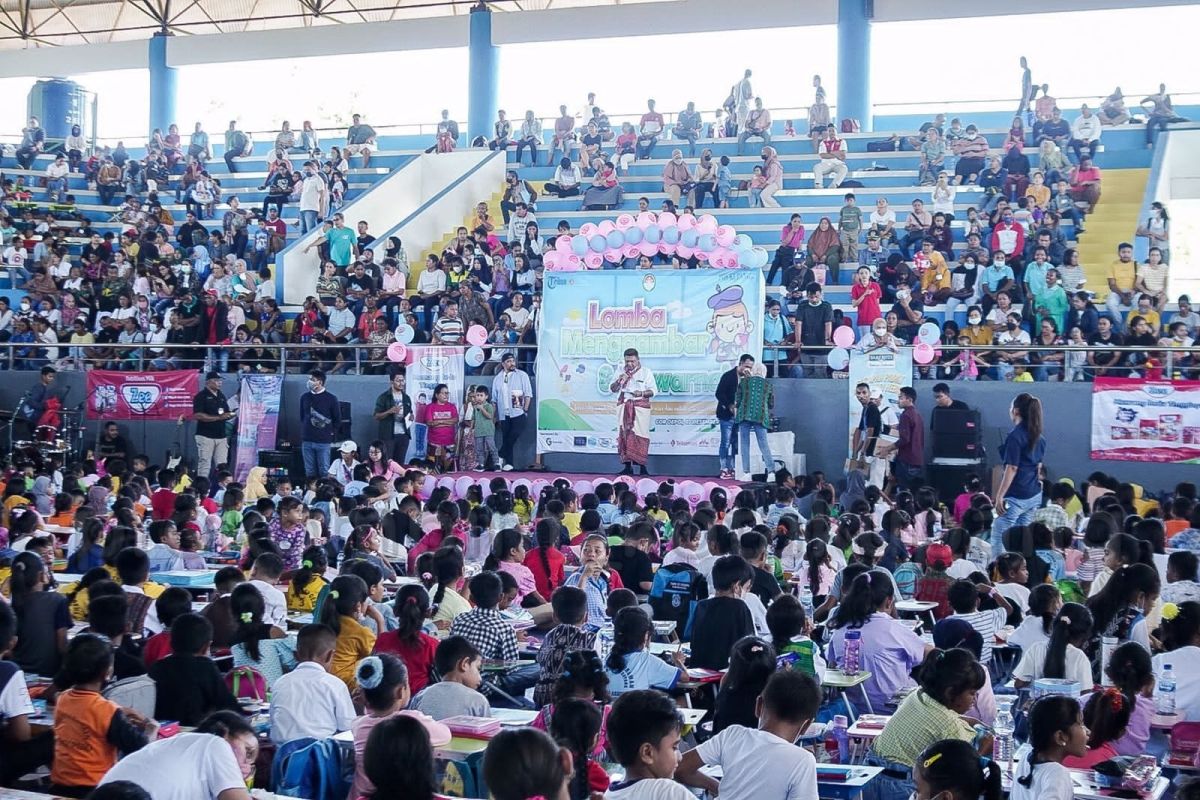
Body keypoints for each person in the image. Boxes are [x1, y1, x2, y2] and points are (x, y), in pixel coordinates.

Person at [677, 670, 819, 800]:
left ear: (758, 705)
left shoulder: (732, 735)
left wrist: (717, 787)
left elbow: (681, 768)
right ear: (806, 726)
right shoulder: (803, 761)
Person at [869, 648, 988, 796]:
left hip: (870, 775)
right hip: (901, 786)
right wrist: (984, 747)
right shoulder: (949, 725)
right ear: (950, 692)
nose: (975, 699)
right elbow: (965, 768)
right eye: (971, 693)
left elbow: (935, 718)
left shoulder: (917, 695)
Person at [52, 634, 156, 794]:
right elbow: (140, 747)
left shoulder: (62, 699)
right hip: (96, 790)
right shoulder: (107, 711)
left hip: (59, 786)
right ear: (107, 673)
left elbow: (86, 711)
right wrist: (152, 728)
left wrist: (116, 711)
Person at [97, 711, 258, 800]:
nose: (247, 766)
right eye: (247, 752)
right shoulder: (215, 744)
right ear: (224, 733)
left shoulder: (177, 748)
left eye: (252, 764)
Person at [268, 624, 355, 744]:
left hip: (283, 758)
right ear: (331, 655)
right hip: (321, 758)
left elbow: (273, 721)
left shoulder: (280, 683)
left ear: (295, 655)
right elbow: (348, 728)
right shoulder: (335, 685)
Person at [149, 614, 241, 726]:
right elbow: (230, 707)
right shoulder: (205, 666)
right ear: (206, 646)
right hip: (196, 733)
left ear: (171, 643)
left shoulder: (157, 667)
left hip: (163, 735)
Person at [605, 689, 693, 800]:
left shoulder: (609, 794)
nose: (680, 757)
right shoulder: (668, 791)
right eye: (674, 747)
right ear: (647, 753)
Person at [992, 393, 1045, 548]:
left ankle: (998, 571)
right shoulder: (1040, 438)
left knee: (999, 538)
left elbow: (1012, 468)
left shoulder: (1015, 436)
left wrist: (1000, 496)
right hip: (1033, 494)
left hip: (1016, 495)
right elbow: (1038, 467)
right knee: (1022, 541)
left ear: (1015, 411)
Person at [1011, 696, 1089, 800]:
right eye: (1080, 724)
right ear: (1060, 737)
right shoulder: (1057, 774)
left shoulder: (1027, 757)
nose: (1088, 731)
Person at [408, 635, 490, 720]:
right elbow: (488, 732)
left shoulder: (420, 696)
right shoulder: (477, 701)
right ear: (464, 664)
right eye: (478, 668)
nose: (480, 678)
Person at [609, 348, 655, 476]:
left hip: (640, 406)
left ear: (638, 360)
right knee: (625, 435)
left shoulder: (646, 372)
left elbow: (653, 391)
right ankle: (627, 467)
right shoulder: (620, 371)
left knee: (640, 435)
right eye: (627, 361)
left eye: (632, 361)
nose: (629, 364)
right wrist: (619, 380)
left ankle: (642, 467)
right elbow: (612, 389)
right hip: (624, 405)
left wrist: (641, 393)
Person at [734, 363, 775, 482]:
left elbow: (737, 401)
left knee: (744, 444)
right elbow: (771, 404)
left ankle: (746, 473)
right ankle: (771, 472)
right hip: (761, 416)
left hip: (744, 415)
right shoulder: (768, 385)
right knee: (763, 444)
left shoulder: (744, 382)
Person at [492, 352, 532, 472]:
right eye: (509, 361)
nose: (512, 363)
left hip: (518, 411)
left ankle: (499, 456)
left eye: (513, 361)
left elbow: (528, 394)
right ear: (503, 364)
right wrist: (494, 416)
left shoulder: (522, 375)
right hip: (504, 413)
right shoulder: (498, 378)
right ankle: (509, 463)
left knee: (513, 435)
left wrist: (525, 409)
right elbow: (494, 399)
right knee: (506, 437)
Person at [192, 371, 234, 481]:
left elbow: (226, 412)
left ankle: (222, 487)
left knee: (222, 465)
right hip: (205, 435)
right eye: (216, 381)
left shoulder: (221, 396)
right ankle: (201, 486)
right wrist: (219, 417)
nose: (219, 383)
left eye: (220, 381)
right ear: (208, 382)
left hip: (221, 435)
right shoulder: (201, 396)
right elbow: (198, 415)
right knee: (205, 463)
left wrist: (229, 415)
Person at [299, 369, 341, 479]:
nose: (309, 382)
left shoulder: (331, 398)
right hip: (307, 440)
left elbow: (337, 419)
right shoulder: (304, 397)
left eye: (312, 380)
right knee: (309, 470)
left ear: (320, 382)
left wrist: (330, 433)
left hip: (323, 441)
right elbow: (302, 416)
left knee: (324, 469)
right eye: (309, 379)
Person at [372, 370, 413, 466]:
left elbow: (409, 412)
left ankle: (399, 480)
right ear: (391, 382)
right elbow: (376, 416)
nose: (401, 383)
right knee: (388, 463)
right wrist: (389, 411)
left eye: (403, 380)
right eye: (398, 380)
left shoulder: (406, 398)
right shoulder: (384, 397)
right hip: (388, 436)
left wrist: (411, 416)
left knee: (400, 463)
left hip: (404, 435)